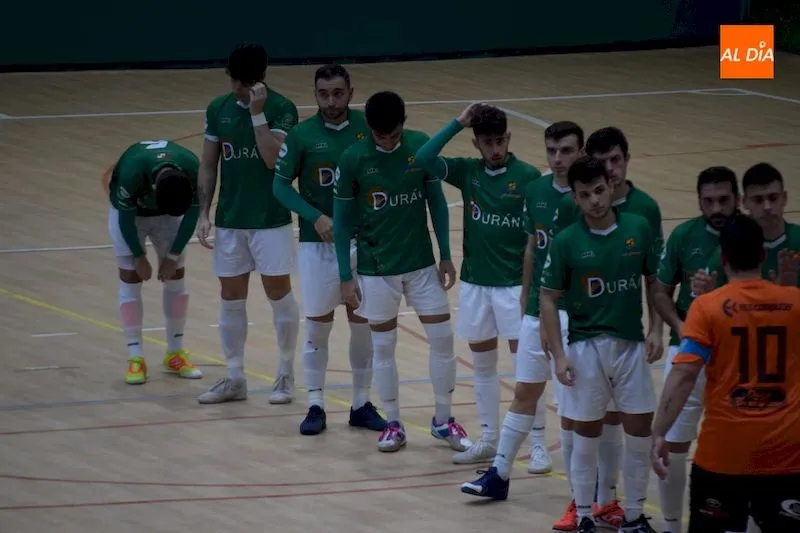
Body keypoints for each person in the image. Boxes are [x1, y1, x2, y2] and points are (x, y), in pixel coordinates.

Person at [333, 90, 470, 453]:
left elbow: (436, 202)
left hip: (421, 265)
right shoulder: (353, 159)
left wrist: (445, 254)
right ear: (369, 128)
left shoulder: (420, 146)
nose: (388, 142)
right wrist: (345, 275)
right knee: (384, 347)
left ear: (403, 125)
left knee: (443, 340)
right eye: (381, 136)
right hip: (377, 269)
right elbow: (341, 221)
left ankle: (443, 421)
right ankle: (393, 423)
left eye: (394, 135)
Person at [458, 121, 585, 507]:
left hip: (577, 315)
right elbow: (532, 247)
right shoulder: (537, 191)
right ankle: (499, 474)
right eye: (552, 151)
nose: (558, 158)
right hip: (537, 310)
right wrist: (528, 299)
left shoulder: (590, 198)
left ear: (581, 152)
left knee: (573, 406)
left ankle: (582, 497)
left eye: (566, 150)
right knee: (525, 391)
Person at [651, 213, 800, 533]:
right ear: (762, 254)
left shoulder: (707, 307)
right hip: (786, 455)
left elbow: (684, 374)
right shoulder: (796, 303)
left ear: (723, 258)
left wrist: (659, 431)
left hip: (723, 455)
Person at [413, 103, 541, 464]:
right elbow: (423, 158)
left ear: (509, 138)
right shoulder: (468, 172)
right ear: (476, 143)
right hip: (475, 285)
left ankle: (537, 445)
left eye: (500, 141)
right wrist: (458, 122)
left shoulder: (528, 176)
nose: (495, 149)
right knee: (483, 367)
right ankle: (488, 439)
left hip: (514, 287)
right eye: (487, 142)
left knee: (527, 371)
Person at [541, 155, 661, 533]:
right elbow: (548, 297)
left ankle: (633, 516)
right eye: (584, 194)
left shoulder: (638, 228)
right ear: (574, 198)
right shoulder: (566, 241)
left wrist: (657, 329)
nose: (594, 200)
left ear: (610, 186)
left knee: (639, 429)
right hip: (585, 347)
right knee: (587, 432)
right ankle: (585, 515)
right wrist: (559, 354)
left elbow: (654, 282)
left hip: (630, 345)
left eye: (598, 190)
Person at [273, 64, 386, 435]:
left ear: (351, 91)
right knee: (318, 326)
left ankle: (361, 403)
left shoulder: (368, 129)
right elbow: (280, 187)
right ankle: (315, 404)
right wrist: (315, 217)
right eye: (324, 94)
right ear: (315, 95)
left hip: (363, 243)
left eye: (338, 93)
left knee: (362, 324)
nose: (331, 101)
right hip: (317, 245)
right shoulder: (301, 135)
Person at [195, 43, 301, 405]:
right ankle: (235, 377)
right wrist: (204, 212)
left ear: (259, 79)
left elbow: (273, 160)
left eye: (245, 84)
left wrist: (257, 114)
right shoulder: (217, 109)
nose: (238, 90)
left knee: (278, 293)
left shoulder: (282, 108)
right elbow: (208, 164)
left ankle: (285, 374)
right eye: (235, 83)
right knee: (230, 297)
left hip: (271, 219)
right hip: (231, 219)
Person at [652, 166, 739, 533]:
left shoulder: (749, 237)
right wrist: (682, 327)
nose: (716, 208)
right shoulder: (684, 236)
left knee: (738, 450)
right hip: (688, 351)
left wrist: (716, 297)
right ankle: (673, 526)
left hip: (735, 358)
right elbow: (660, 293)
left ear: (737, 198)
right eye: (708, 201)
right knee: (672, 445)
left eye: (723, 200)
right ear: (699, 201)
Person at [108, 139, 202, 385]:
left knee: (176, 276)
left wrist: (173, 256)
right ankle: (135, 356)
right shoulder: (132, 172)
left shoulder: (192, 167)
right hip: (130, 215)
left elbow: (192, 212)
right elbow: (125, 219)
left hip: (167, 217)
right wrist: (139, 256)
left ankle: (175, 352)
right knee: (131, 277)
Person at [693, 163, 800, 293]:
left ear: (785, 198)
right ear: (744, 202)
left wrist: (789, 295)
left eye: (773, 198)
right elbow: (711, 300)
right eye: (758, 200)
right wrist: (706, 293)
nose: (767, 207)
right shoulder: (729, 248)